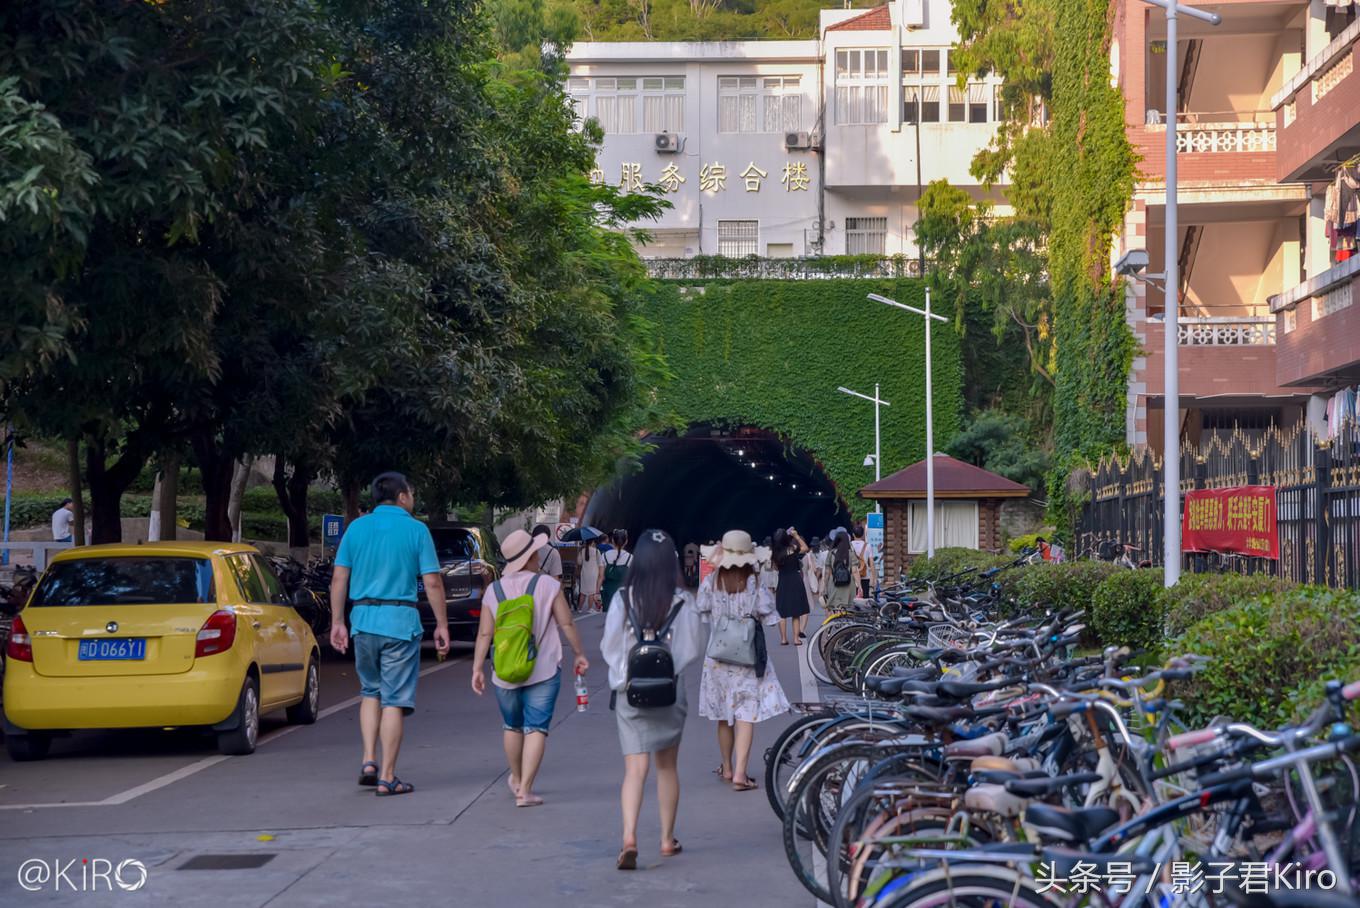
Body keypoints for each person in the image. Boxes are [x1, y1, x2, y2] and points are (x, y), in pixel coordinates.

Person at [329, 472, 450, 797]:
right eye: (410, 492)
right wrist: (442, 624)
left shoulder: (356, 527)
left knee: (371, 692)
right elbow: (433, 582)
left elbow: (340, 577)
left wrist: (337, 621)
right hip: (400, 621)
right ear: (401, 497)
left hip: (363, 620)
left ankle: (368, 760)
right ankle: (387, 776)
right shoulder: (416, 529)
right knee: (394, 699)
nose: (412, 498)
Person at [601, 529, 705, 870]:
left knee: (635, 770)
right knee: (666, 767)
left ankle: (629, 837)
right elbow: (691, 648)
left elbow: (610, 647)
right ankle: (665, 840)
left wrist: (623, 677)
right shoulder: (682, 601)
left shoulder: (623, 599)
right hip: (669, 691)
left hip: (630, 691)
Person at [471, 529, 590, 807]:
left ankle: (515, 776)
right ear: (531, 557)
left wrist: (477, 667)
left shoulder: (493, 591)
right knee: (536, 728)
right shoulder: (548, 585)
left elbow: (485, 635)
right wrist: (579, 654)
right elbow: (566, 624)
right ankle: (525, 790)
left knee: (511, 726)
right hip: (543, 669)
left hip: (505, 670)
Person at [696, 530, 791, 791]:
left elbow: (701, 607)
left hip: (717, 657)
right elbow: (769, 614)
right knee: (745, 714)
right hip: (746, 657)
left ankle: (726, 767)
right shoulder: (754, 581)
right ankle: (740, 774)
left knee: (723, 716)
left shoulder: (712, 581)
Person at [771, 527, 810, 646]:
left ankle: (783, 639)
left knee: (782, 612)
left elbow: (775, 568)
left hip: (783, 581)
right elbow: (805, 548)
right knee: (796, 612)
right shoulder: (792, 549)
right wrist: (796, 536)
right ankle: (796, 639)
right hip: (795, 580)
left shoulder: (775, 553)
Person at [823, 531, 858, 612]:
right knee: (848, 609)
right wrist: (859, 586)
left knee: (836, 608)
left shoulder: (831, 553)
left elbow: (827, 572)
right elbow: (855, 571)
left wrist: (825, 586)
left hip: (834, 583)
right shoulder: (851, 553)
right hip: (849, 584)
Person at [600, 529, 633, 611]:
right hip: (624, 594)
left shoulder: (604, 556)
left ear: (612, 541)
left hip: (607, 593)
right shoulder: (630, 557)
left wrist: (596, 593)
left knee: (607, 619)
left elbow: (601, 577)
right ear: (626, 542)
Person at [577, 537, 603, 612]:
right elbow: (600, 563)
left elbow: (579, 562)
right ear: (593, 542)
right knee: (591, 592)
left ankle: (579, 608)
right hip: (593, 574)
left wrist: (580, 552)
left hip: (584, 574)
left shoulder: (582, 551)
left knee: (583, 592)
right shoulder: (596, 551)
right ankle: (590, 608)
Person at [802, 535, 826, 615]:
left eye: (816, 546)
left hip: (820, 573)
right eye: (814, 546)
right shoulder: (809, 554)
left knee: (819, 587)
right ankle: (813, 602)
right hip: (812, 574)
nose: (815, 547)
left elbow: (822, 565)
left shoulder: (822, 553)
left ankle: (818, 600)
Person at [851, 523, 873, 599]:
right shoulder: (868, 546)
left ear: (853, 534)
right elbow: (872, 564)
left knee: (853, 601)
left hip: (852, 577)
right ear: (863, 534)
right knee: (865, 600)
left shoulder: (849, 546)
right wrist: (874, 579)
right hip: (865, 576)